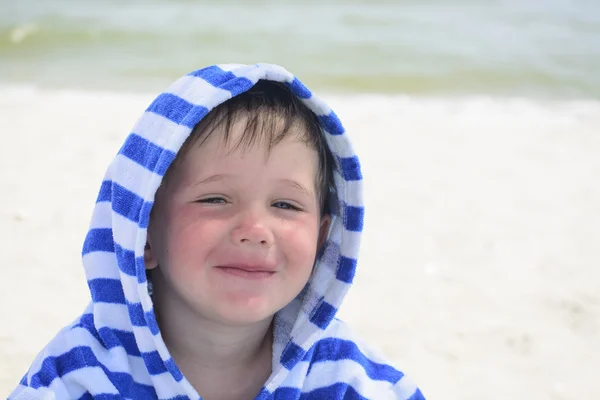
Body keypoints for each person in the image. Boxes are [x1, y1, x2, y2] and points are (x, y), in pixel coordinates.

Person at [10, 63, 425, 400]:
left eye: (285, 205)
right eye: (215, 199)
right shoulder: (78, 378)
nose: (256, 231)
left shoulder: (349, 383)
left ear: (321, 239)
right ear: (144, 232)